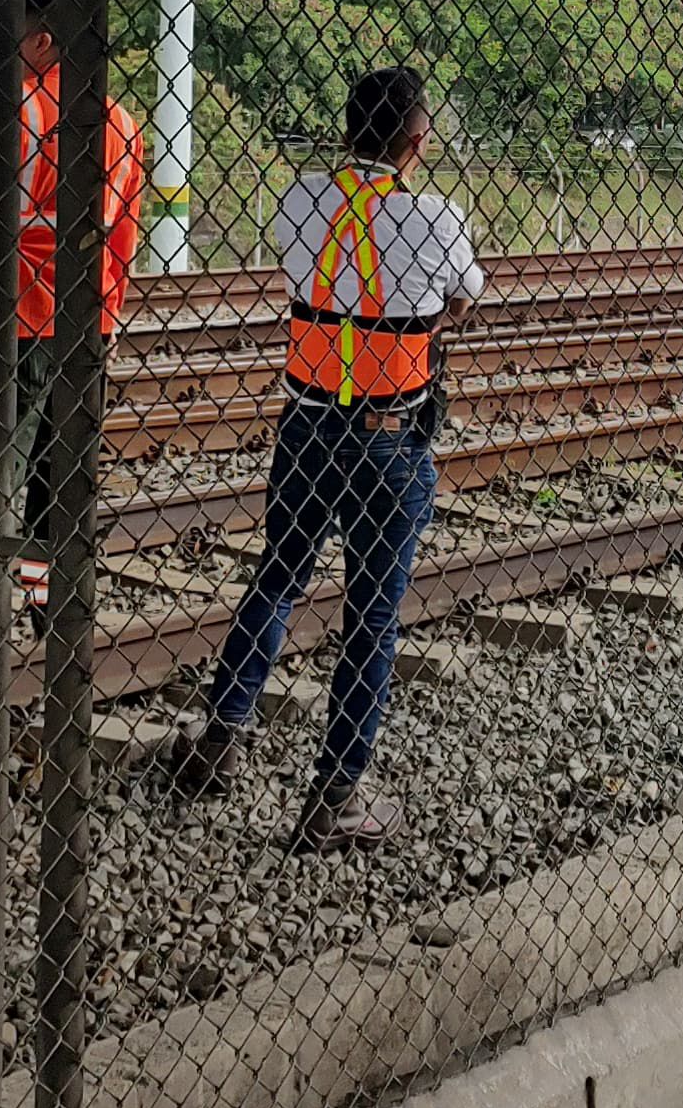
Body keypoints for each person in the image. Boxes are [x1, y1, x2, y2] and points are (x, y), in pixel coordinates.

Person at [169, 64, 484, 851]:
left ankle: (220, 741)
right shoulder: (436, 216)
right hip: (388, 438)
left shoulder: (301, 199)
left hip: (308, 424)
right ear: (418, 139)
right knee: (371, 616)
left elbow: (313, 277)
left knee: (279, 573)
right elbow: (464, 294)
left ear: (349, 131)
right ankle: (335, 797)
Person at [0, 0, 143, 633]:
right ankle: (52, 608)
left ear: (43, 41)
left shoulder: (9, 110)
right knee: (63, 465)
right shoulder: (118, 119)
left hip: (12, 309)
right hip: (83, 315)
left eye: (10, 34)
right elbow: (124, 234)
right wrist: (109, 312)